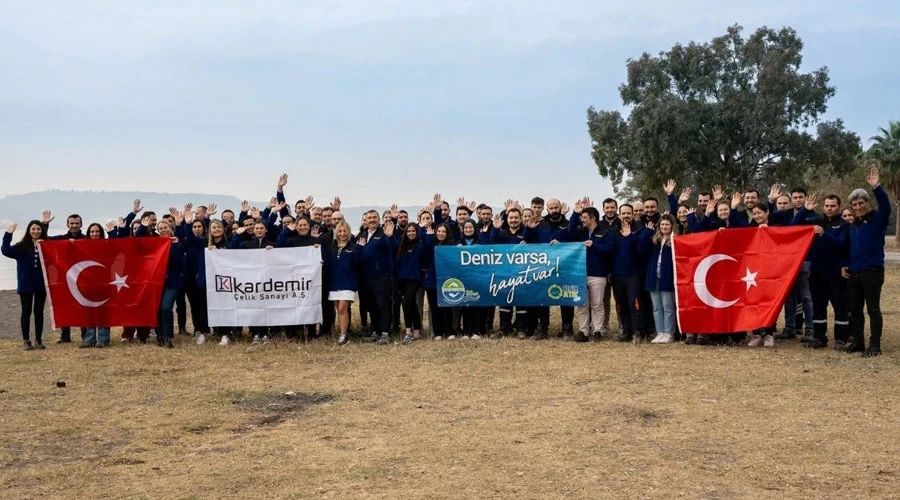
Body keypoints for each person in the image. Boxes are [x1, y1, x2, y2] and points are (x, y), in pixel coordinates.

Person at [843, 167, 890, 357]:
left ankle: (875, 345)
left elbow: (885, 206)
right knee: (855, 309)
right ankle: (858, 342)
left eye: (861, 203)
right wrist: (845, 264)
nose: (857, 207)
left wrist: (876, 187)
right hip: (854, 273)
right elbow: (849, 249)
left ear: (868, 203)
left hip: (872, 272)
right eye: (854, 205)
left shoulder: (878, 220)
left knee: (873, 309)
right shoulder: (853, 226)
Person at [554, 199, 614, 342]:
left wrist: (594, 246)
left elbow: (610, 250)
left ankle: (598, 330)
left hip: (598, 274)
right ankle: (583, 331)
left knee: (597, 304)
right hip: (580, 273)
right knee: (582, 304)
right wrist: (575, 213)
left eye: (585, 217)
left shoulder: (606, 232)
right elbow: (570, 230)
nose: (582, 220)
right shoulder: (580, 232)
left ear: (593, 218)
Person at [809, 195, 850, 349]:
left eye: (832, 206)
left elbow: (842, 245)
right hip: (817, 273)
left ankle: (841, 338)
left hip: (836, 273)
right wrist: (805, 210)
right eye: (826, 206)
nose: (829, 208)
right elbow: (795, 225)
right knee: (818, 306)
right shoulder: (817, 221)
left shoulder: (844, 225)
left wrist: (824, 235)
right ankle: (819, 337)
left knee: (840, 306)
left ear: (839, 206)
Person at [3, 220, 48, 350]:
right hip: (25, 285)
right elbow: (6, 251)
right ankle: (26, 341)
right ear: (29, 230)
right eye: (33, 229)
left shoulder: (46, 245)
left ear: (42, 231)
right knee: (26, 312)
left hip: (41, 284)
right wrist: (8, 233)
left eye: (39, 229)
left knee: (39, 312)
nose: (36, 231)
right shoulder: (21, 247)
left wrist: (46, 243)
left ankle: (38, 340)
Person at [357, 212, 396, 345]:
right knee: (372, 305)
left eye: (374, 218)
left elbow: (394, 248)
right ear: (365, 220)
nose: (372, 220)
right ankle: (376, 331)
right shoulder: (361, 235)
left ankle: (385, 333)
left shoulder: (384, 233)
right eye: (369, 218)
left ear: (379, 219)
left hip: (381, 276)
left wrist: (390, 237)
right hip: (366, 277)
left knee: (383, 305)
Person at [638, 215, 677, 344]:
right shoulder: (654, 241)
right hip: (653, 279)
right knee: (656, 307)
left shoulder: (674, 241)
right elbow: (641, 250)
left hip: (667, 278)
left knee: (668, 307)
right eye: (662, 225)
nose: (664, 227)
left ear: (672, 226)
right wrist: (647, 232)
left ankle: (669, 333)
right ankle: (660, 332)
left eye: (667, 225)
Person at [324, 221, 363, 345]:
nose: (342, 233)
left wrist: (359, 249)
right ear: (336, 232)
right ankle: (343, 333)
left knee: (342, 309)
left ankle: (344, 335)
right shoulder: (331, 247)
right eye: (340, 231)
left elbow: (357, 263)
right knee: (339, 310)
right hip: (334, 283)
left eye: (344, 231)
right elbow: (327, 263)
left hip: (348, 283)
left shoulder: (354, 247)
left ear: (349, 232)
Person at [79, 222, 114, 348]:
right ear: (88, 233)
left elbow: (118, 245)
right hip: (88, 284)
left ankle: (103, 338)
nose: (95, 234)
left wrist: (111, 233)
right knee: (89, 311)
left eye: (97, 231)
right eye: (92, 231)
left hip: (104, 283)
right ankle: (89, 338)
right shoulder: (82, 246)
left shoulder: (106, 245)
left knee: (103, 311)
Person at [423, 223, 455, 340]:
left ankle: (449, 331)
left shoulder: (451, 246)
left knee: (447, 307)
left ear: (447, 234)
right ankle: (438, 332)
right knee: (434, 308)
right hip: (432, 280)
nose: (441, 233)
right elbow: (426, 251)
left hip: (447, 280)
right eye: (439, 231)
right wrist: (430, 237)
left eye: (443, 232)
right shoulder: (431, 243)